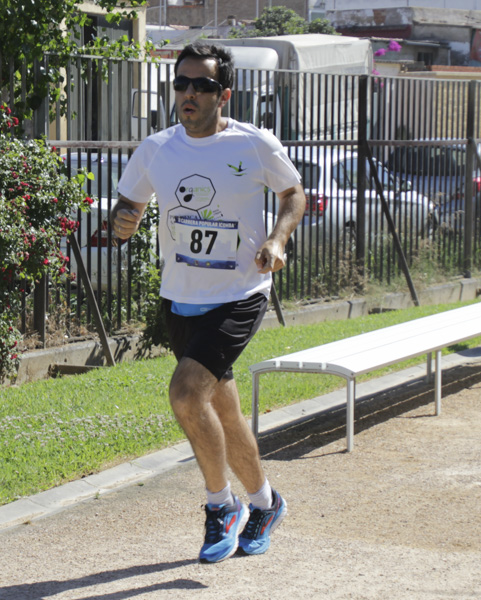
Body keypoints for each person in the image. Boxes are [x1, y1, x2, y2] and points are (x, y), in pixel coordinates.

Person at [110, 42, 306, 563]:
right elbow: (126, 206)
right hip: (181, 297)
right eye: (181, 83)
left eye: (201, 85)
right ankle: (265, 503)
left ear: (224, 93)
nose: (189, 94)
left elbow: (294, 194)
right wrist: (121, 222)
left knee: (185, 394)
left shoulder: (253, 144)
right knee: (223, 409)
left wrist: (279, 240)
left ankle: (222, 506)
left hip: (239, 293)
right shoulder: (156, 148)